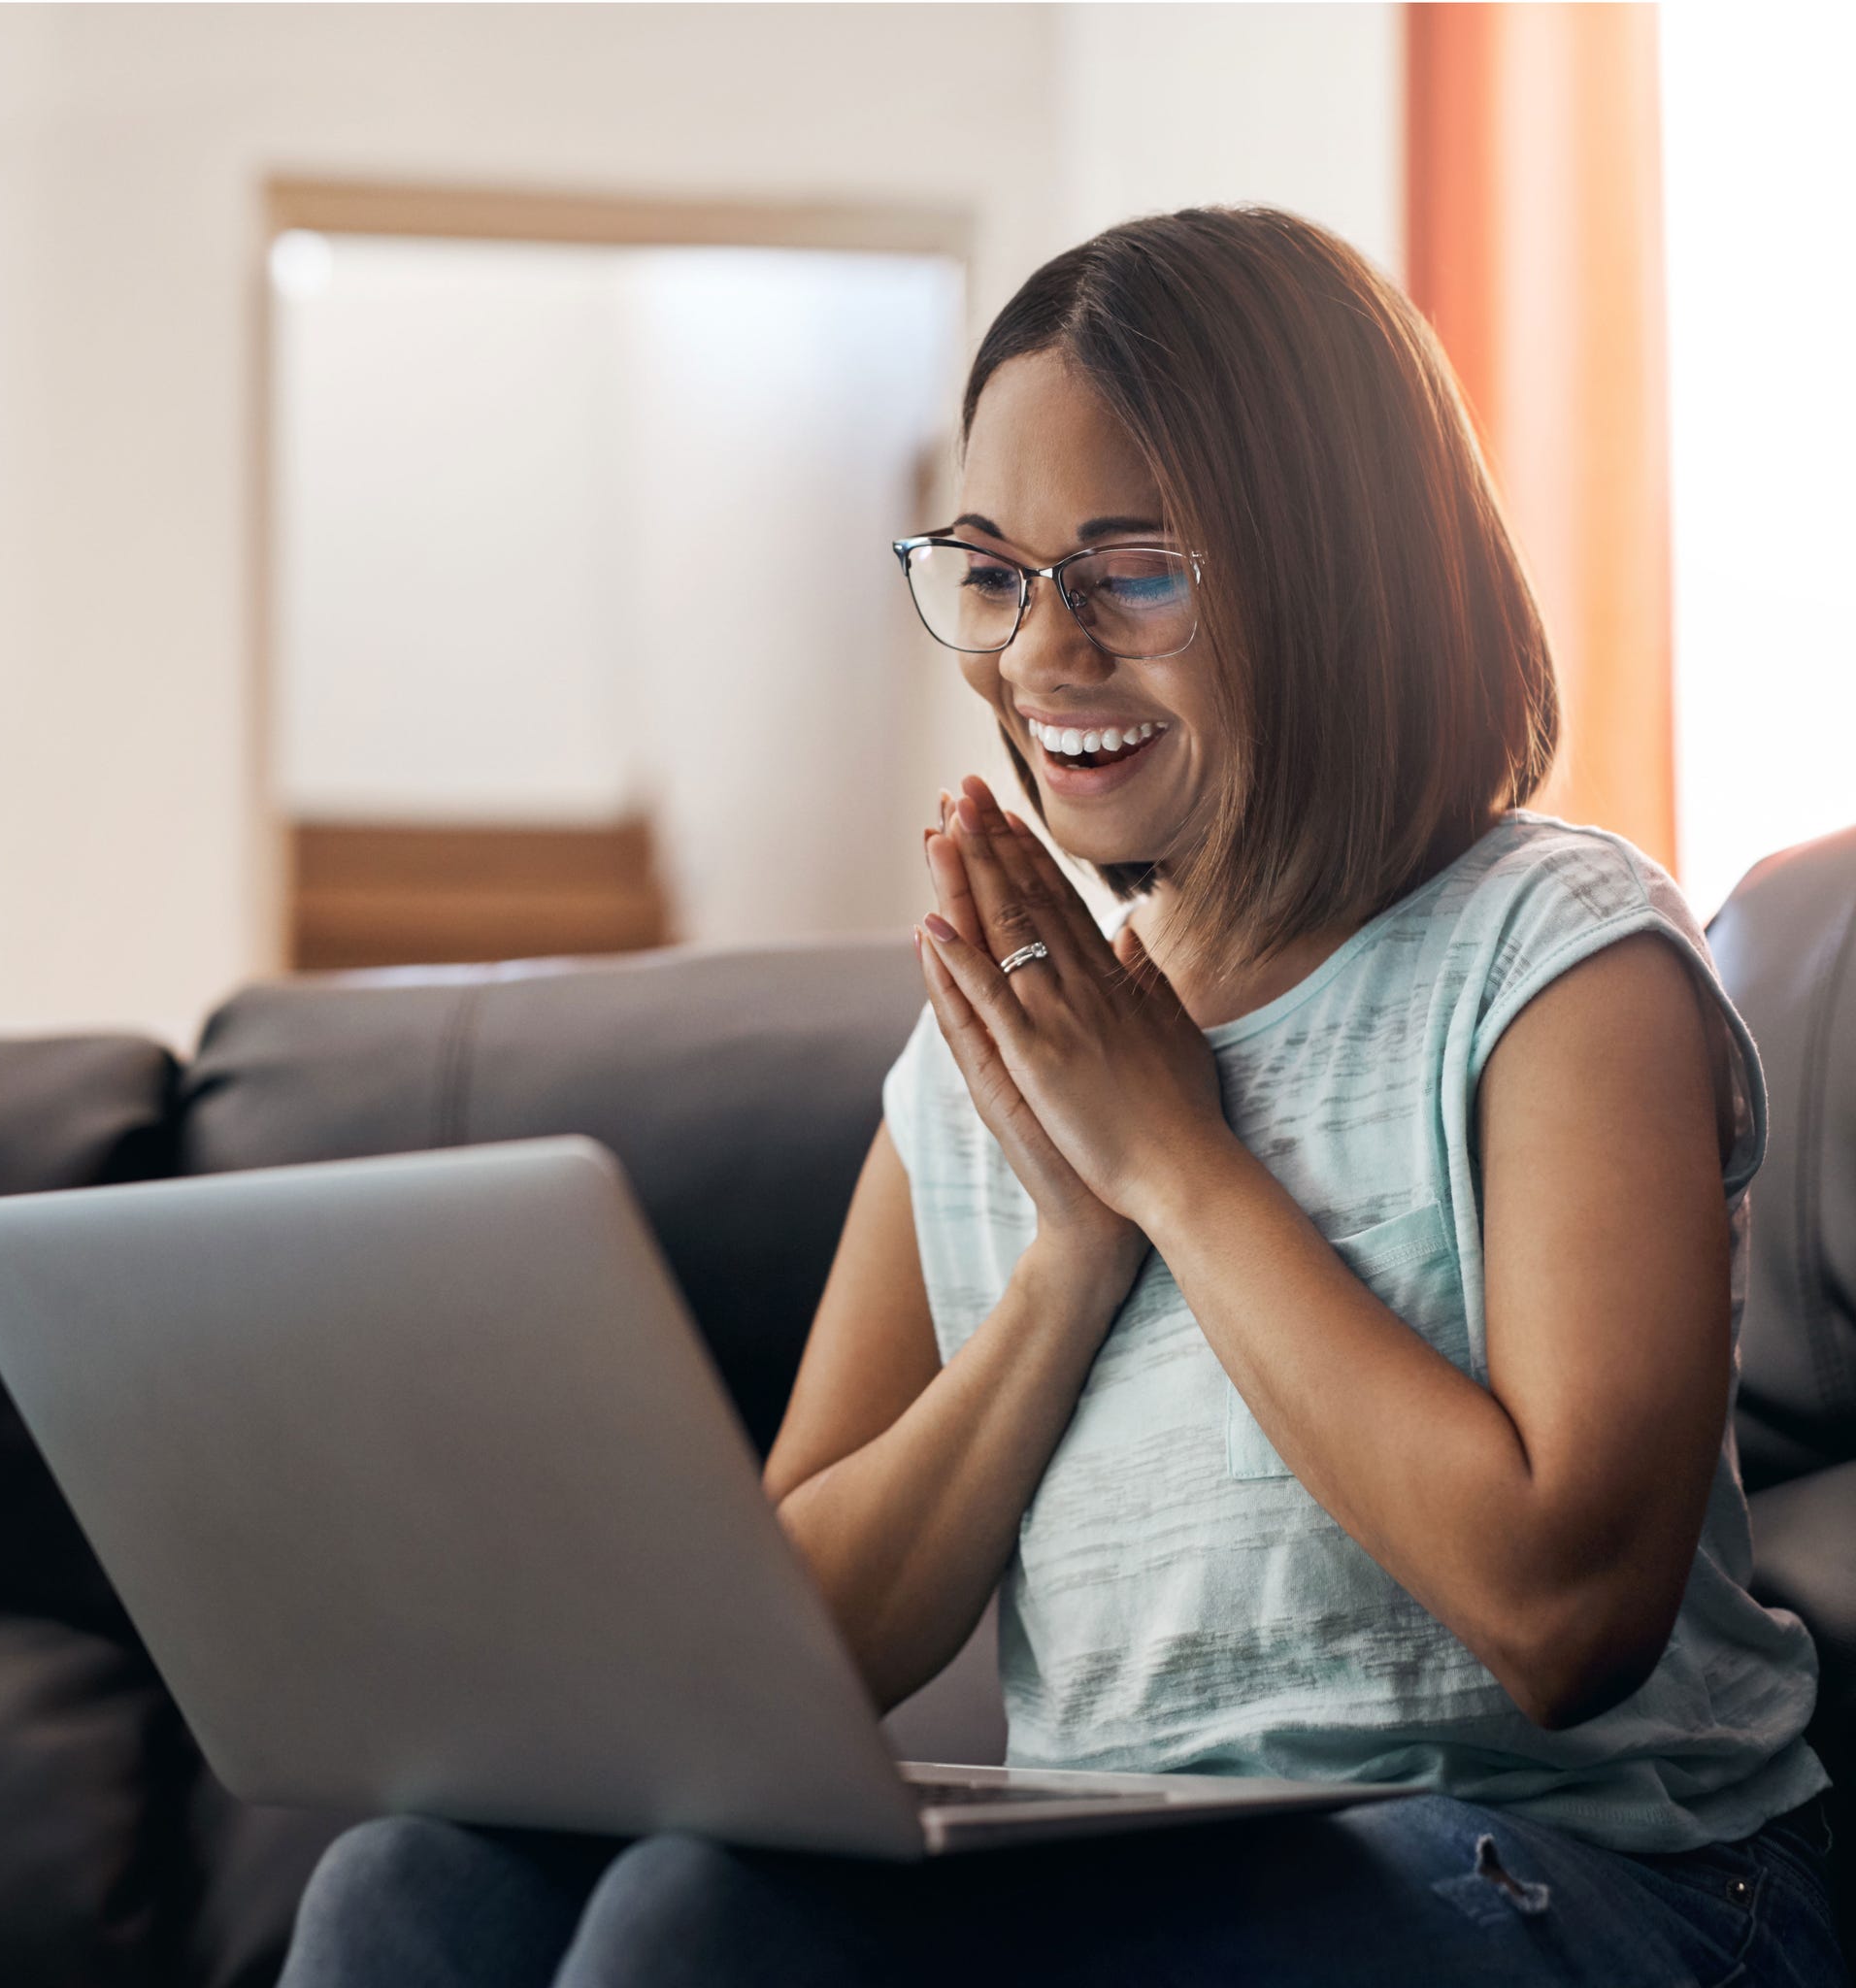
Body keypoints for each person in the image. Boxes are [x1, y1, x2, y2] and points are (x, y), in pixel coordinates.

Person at [278, 206, 1846, 1986]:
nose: (1038, 654)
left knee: (707, 1928)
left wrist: (1181, 1167)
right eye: (995, 570)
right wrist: (1066, 1264)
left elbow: (1563, 1615)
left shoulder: (1554, 953)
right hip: (1160, 1864)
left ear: (1338, 572)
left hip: (1599, 1875)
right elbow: (801, 1647)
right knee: (405, 1889)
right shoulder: (996, 1064)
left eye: (1134, 572)